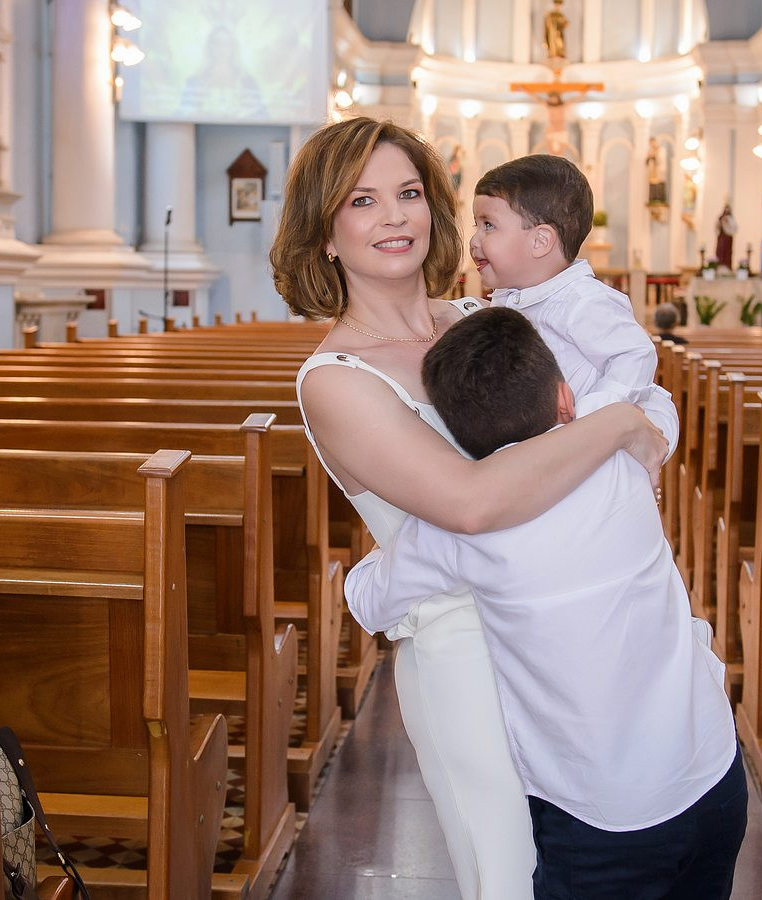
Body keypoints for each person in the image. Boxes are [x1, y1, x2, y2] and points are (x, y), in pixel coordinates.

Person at [272, 117, 668, 899]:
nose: (395, 217)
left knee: (601, 868)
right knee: (511, 876)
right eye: (362, 201)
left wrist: (627, 423)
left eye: (409, 193)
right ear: (324, 233)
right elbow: (471, 503)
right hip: (467, 653)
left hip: (575, 632)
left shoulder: (486, 320)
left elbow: (613, 411)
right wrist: (619, 424)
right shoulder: (335, 378)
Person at [346, 308, 746, 898]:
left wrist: (387, 546)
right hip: (712, 772)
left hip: (601, 817)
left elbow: (369, 604)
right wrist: (608, 417)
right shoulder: (621, 458)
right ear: (563, 396)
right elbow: (656, 402)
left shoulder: (459, 533)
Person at [470, 153, 680, 454]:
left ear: (541, 241)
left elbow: (634, 353)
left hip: (591, 450)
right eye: (476, 225)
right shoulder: (510, 299)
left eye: (488, 225)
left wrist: (592, 418)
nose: (474, 240)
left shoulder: (582, 300)